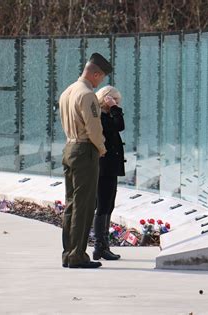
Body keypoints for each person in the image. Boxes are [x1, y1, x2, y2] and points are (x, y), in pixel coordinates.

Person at [59, 53, 116, 269]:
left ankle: (68, 252)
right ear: (94, 73)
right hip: (84, 150)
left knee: (72, 204)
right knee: (84, 205)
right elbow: (93, 127)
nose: (99, 81)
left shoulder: (68, 92)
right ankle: (77, 255)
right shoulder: (88, 95)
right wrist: (101, 147)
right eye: (99, 77)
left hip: (69, 147)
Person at [92, 86, 125, 261]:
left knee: (109, 204)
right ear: (106, 99)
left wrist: (113, 108)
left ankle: (104, 245)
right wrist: (114, 108)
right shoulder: (101, 117)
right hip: (103, 167)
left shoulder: (106, 116)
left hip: (110, 167)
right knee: (103, 206)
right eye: (114, 100)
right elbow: (119, 125)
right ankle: (99, 246)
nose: (117, 104)